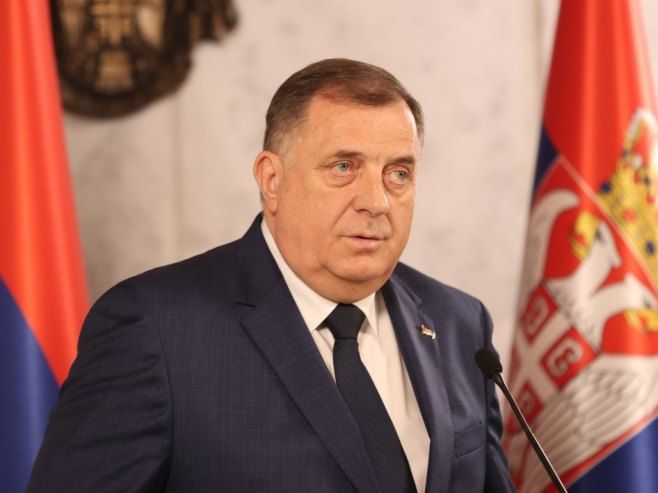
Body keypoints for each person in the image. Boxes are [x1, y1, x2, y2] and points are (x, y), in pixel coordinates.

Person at [28, 59, 515, 492]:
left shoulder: (459, 323)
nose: (377, 201)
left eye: (399, 173)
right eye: (344, 167)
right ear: (272, 180)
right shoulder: (155, 330)